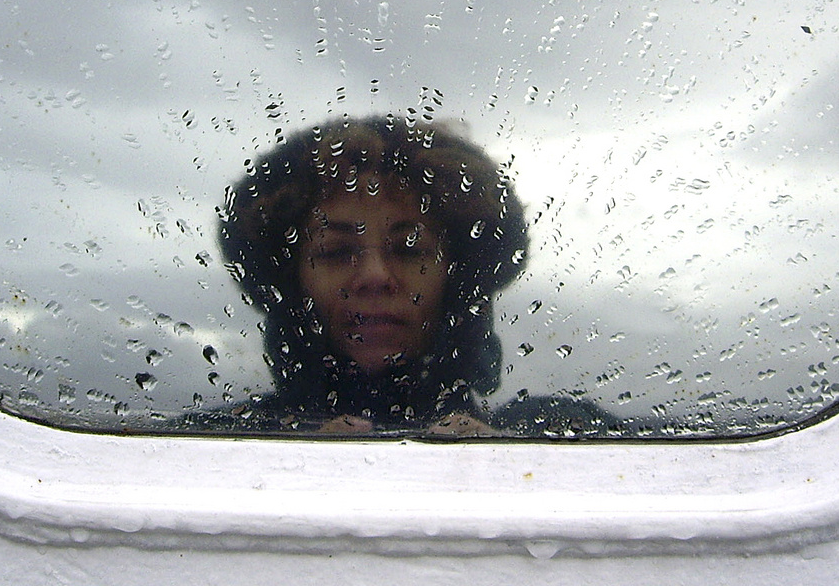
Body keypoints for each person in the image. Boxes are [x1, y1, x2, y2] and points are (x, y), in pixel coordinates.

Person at [186, 114, 634, 438]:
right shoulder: (201, 447)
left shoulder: (571, 438)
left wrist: (518, 472)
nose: (375, 277)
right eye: (338, 250)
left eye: (408, 249)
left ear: (458, 279)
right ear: (289, 281)